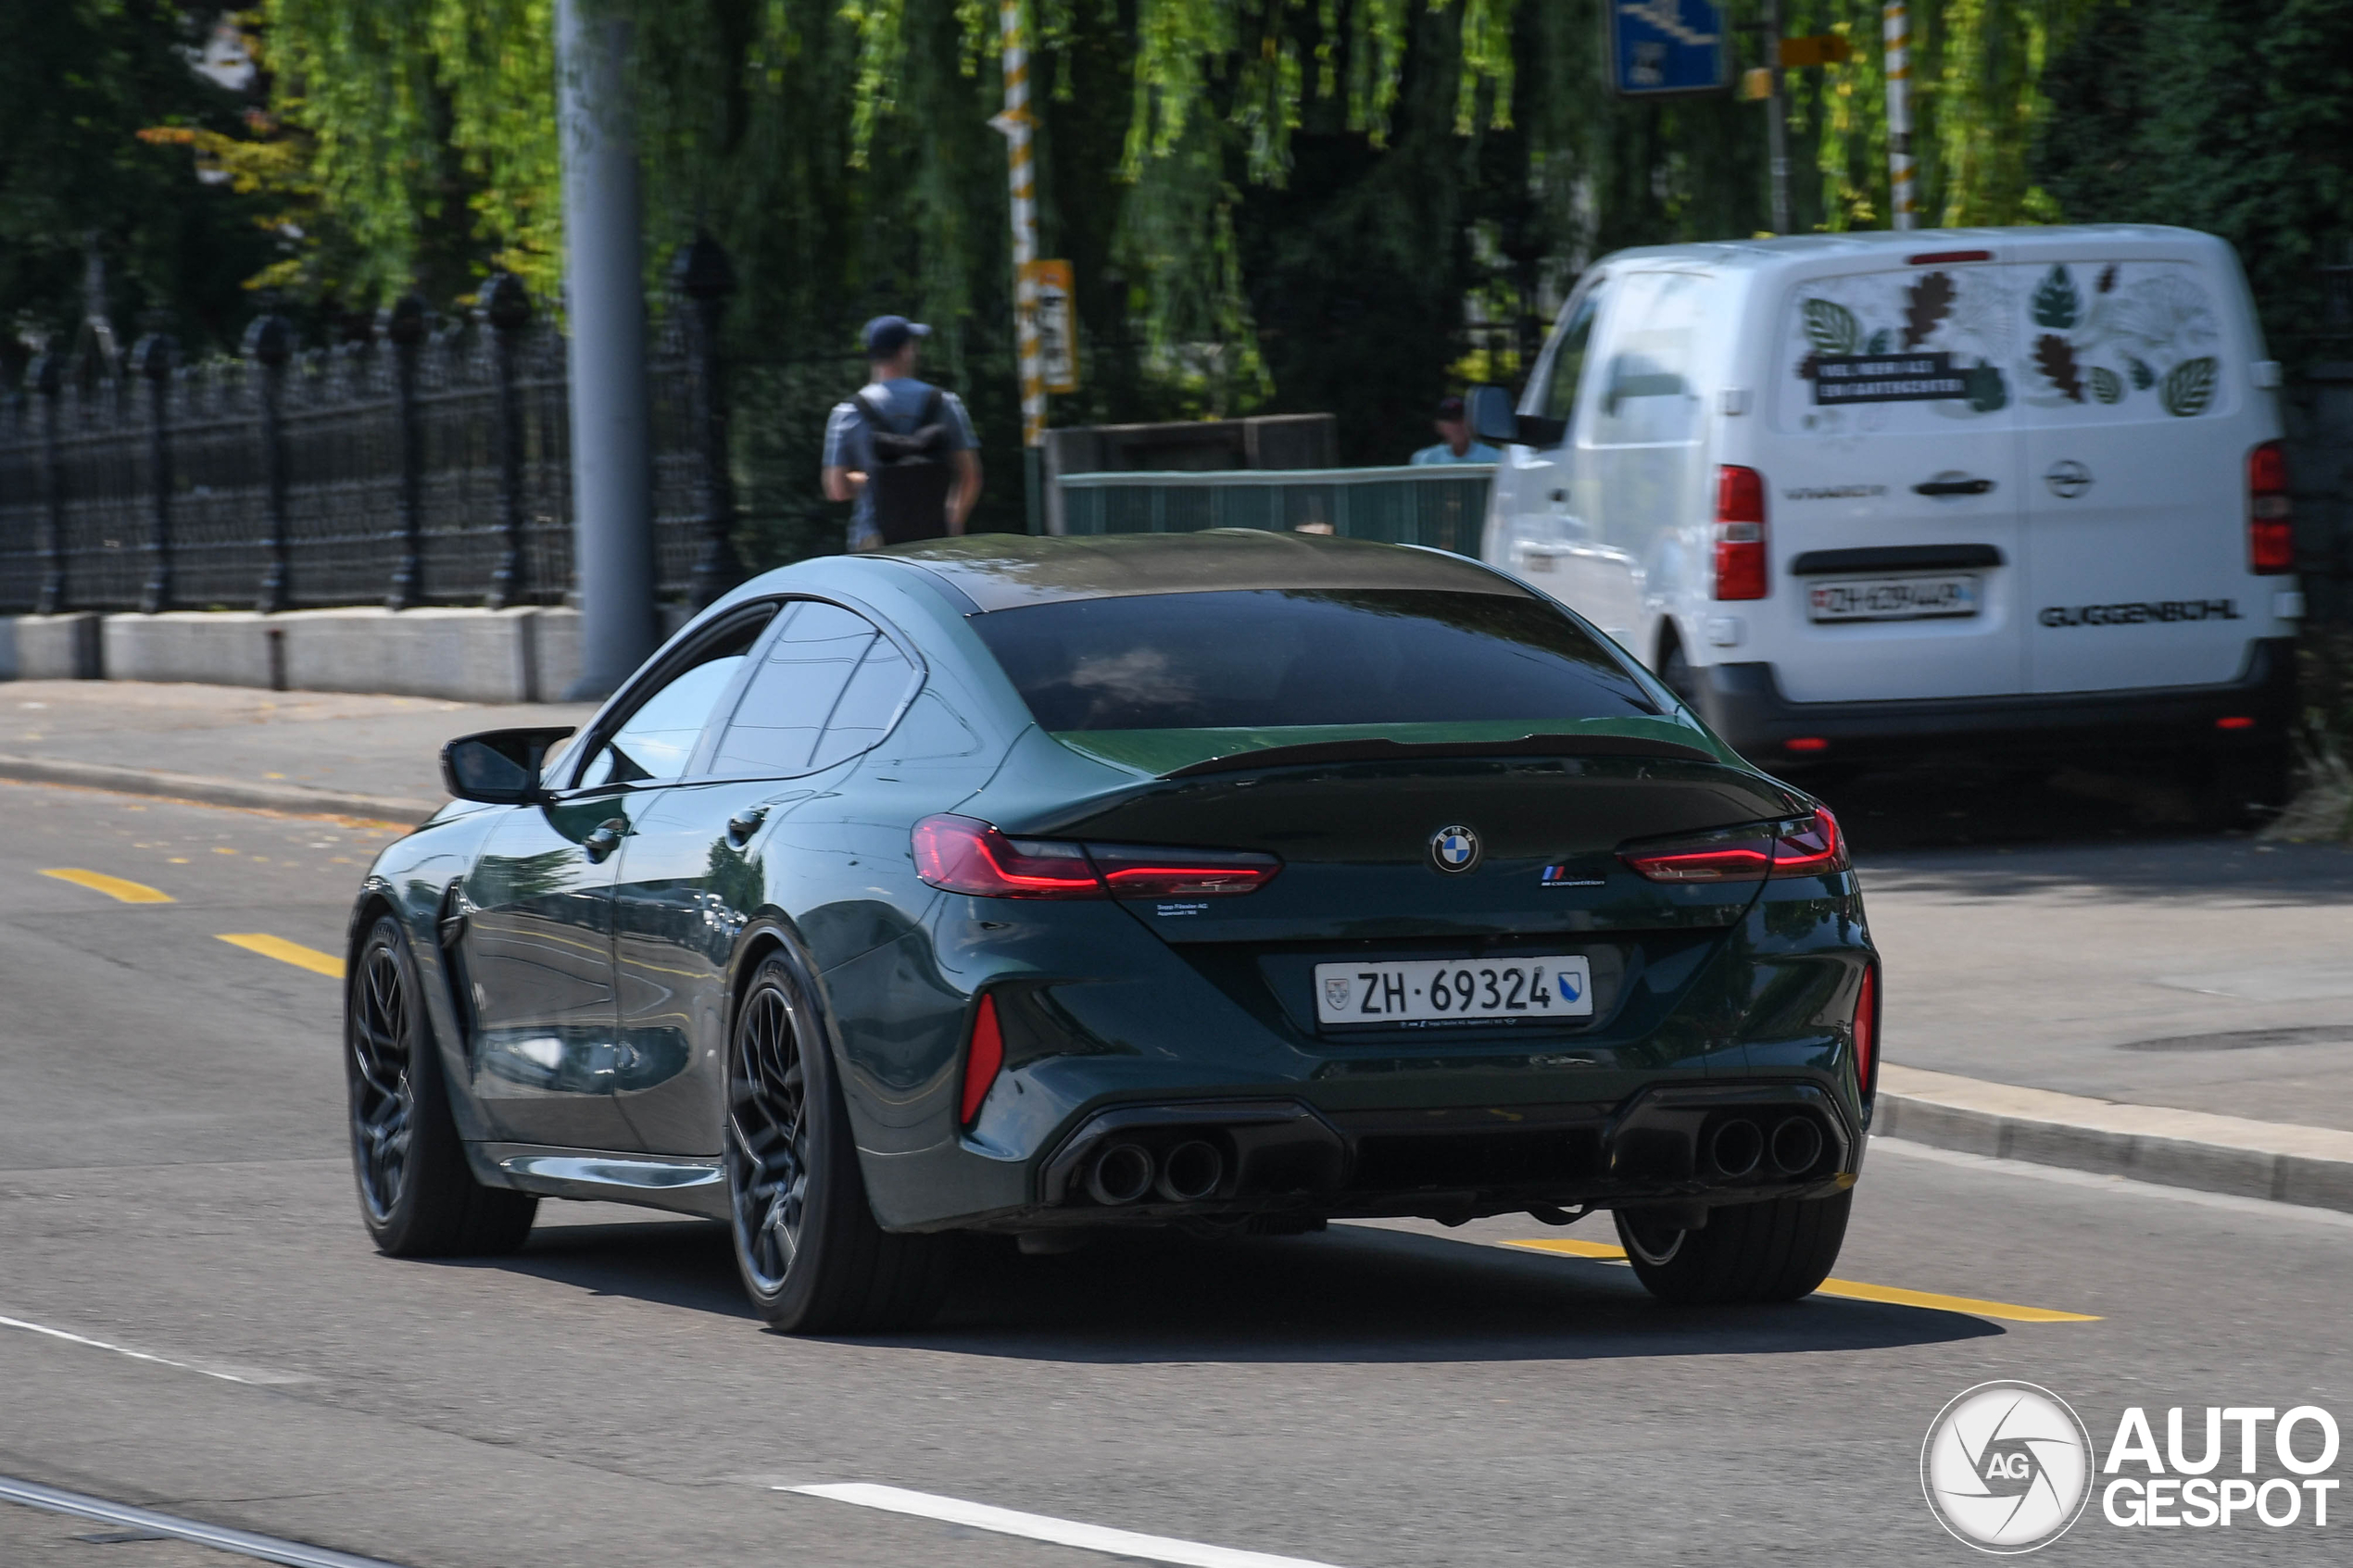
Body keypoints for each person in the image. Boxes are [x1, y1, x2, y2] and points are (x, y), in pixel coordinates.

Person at [823, 316, 983, 550]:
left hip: (873, 540)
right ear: (906, 351)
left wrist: (867, 478)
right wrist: (953, 521)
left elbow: (836, 489)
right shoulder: (945, 404)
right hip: (935, 539)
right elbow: (971, 477)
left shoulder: (848, 413)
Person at [1409, 395, 1502, 466]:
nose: (1458, 425)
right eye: (1450, 420)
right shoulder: (1424, 459)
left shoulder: (1497, 458)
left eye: (1462, 418)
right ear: (1438, 426)